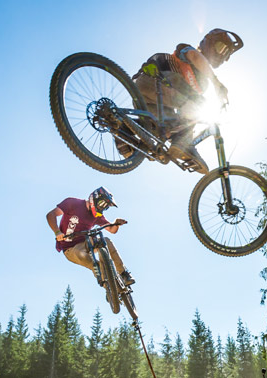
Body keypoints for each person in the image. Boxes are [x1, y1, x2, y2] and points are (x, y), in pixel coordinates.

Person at [129, 29, 243, 171]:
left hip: (150, 100)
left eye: (226, 53)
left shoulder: (202, 83)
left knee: (162, 130)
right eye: (221, 48)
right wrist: (217, 83)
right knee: (198, 105)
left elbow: (183, 110)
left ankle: (124, 129)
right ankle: (185, 145)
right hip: (154, 80)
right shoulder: (187, 50)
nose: (222, 54)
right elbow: (195, 58)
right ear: (209, 43)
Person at [46, 187, 133, 286]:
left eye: (105, 207)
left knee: (106, 241)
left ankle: (123, 273)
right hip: (70, 249)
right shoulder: (73, 203)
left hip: (86, 243)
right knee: (97, 265)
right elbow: (51, 215)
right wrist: (57, 232)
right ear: (95, 198)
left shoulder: (97, 216)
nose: (103, 208)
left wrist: (116, 224)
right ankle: (110, 291)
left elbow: (111, 230)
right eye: (102, 205)